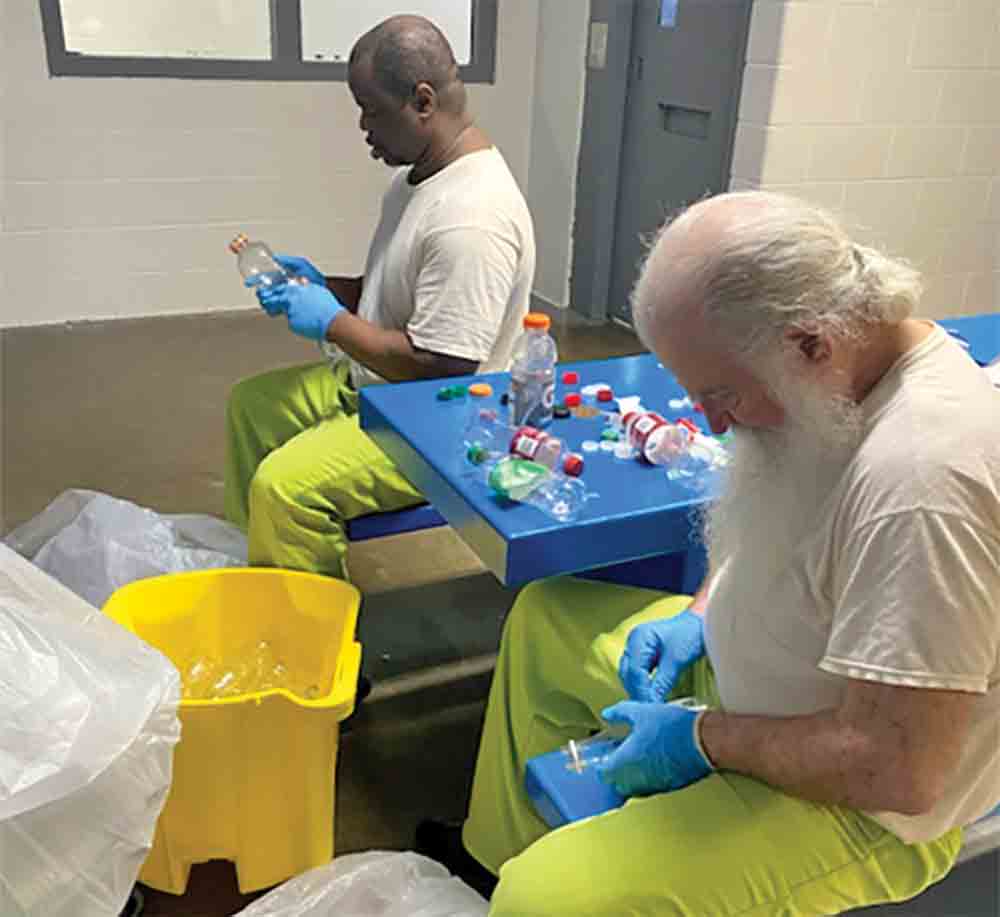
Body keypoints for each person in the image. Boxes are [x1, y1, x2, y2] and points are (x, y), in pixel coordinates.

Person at [417, 191, 1000, 914]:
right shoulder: (845, 371)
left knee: (546, 898)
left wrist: (704, 737)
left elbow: (899, 767)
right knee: (545, 619)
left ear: (811, 343)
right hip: (756, 681)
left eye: (721, 393)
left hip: (863, 801)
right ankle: (488, 863)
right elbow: (778, 524)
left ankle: (524, 890)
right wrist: (701, 610)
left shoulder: (924, 477)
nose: (709, 421)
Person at [224, 15, 535, 579]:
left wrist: (332, 324)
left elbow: (441, 366)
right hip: (384, 386)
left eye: (370, 108)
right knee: (252, 408)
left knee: (284, 489)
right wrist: (328, 288)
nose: (363, 125)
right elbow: (406, 294)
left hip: (448, 421)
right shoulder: (418, 179)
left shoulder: (473, 216)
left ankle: (304, 643)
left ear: (422, 101)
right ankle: (264, 578)